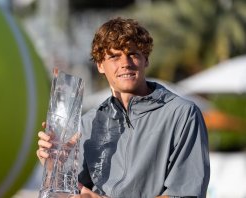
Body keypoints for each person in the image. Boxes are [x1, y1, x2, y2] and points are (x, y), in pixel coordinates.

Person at [37, 17, 210, 198]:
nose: (125, 63)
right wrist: (55, 170)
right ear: (100, 65)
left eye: (133, 54)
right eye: (114, 56)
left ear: (146, 60)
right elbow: (73, 194)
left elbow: (186, 194)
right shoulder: (88, 124)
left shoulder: (182, 114)